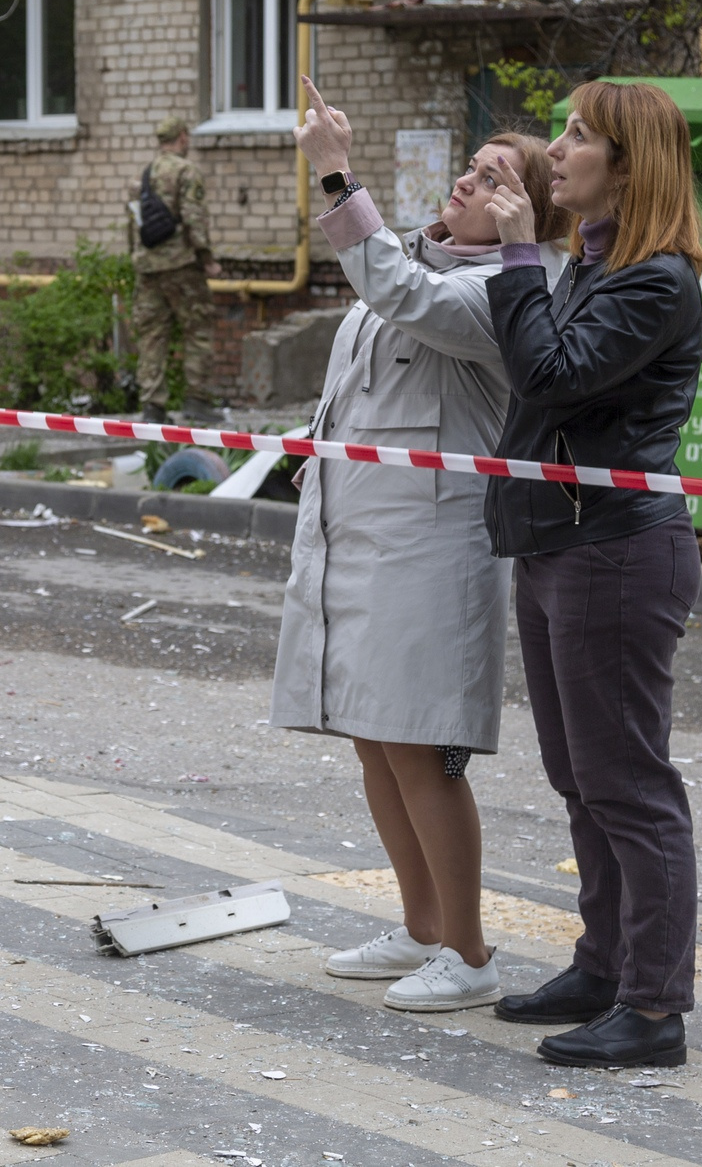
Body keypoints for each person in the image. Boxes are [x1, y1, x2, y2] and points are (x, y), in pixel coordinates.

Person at [280, 82, 571, 1012]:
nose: (466, 181)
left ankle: (472, 951)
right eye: (471, 168)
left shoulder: (503, 294)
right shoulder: (414, 260)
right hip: (357, 532)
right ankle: (420, 927)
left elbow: (401, 295)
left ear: (525, 210)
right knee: (371, 735)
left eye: (493, 178)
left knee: (421, 747)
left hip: (431, 545)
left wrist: (335, 171)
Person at [484, 79, 702, 1069]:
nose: (559, 148)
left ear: (628, 164)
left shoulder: (652, 280)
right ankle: (604, 964)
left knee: (628, 784)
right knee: (580, 779)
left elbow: (551, 376)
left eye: (579, 136)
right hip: (557, 543)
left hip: (614, 549)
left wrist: (513, 256)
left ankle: (653, 1009)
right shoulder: (591, 262)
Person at [132, 115, 220, 423]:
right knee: (197, 329)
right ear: (182, 137)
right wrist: (207, 258)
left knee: (152, 335)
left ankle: (152, 408)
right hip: (182, 265)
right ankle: (196, 400)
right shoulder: (186, 171)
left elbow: (135, 224)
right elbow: (194, 218)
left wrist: (137, 257)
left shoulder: (145, 174)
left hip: (147, 267)